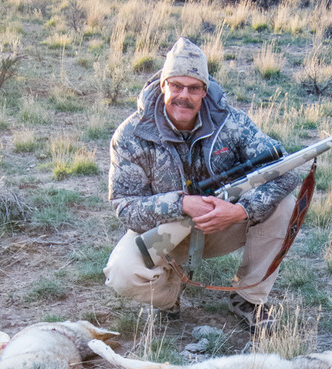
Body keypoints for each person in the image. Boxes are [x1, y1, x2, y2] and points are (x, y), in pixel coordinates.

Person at [103, 37, 301, 330]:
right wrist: (181, 203)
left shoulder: (233, 123)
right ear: (163, 85)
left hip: (224, 224)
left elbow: (286, 171)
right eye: (176, 86)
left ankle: (248, 298)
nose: (185, 95)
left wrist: (240, 211)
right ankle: (170, 297)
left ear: (205, 91)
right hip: (165, 230)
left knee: (285, 205)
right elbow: (124, 206)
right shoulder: (130, 134)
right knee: (122, 273)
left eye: (194, 88)